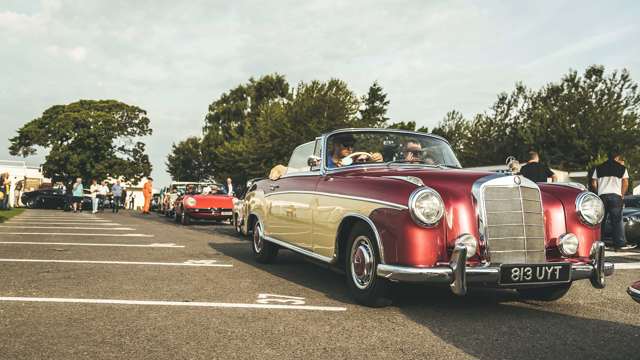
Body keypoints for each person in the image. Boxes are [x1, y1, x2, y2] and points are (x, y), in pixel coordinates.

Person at [591, 150, 637, 251]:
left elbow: (594, 182)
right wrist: (622, 194)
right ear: (617, 157)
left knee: (600, 221)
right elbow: (625, 182)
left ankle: (600, 244)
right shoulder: (622, 168)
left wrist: (598, 192)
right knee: (616, 221)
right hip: (616, 196)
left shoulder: (598, 168)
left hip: (602, 196)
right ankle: (619, 244)